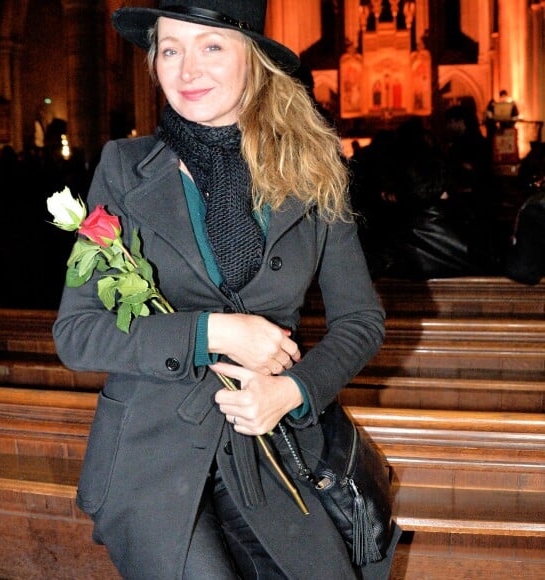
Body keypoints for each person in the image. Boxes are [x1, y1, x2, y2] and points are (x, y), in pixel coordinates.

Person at [53, 1, 400, 578]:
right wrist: (212, 331)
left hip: (273, 448)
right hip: (151, 455)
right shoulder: (124, 168)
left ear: (254, 59)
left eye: (211, 46)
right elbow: (77, 334)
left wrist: (292, 390)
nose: (187, 69)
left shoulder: (313, 171)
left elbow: (361, 320)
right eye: (170, 49)